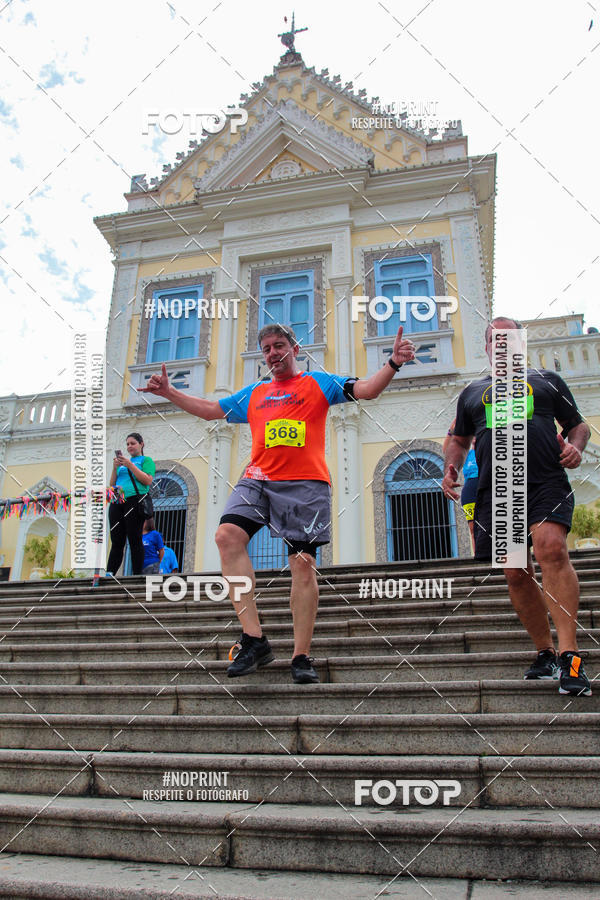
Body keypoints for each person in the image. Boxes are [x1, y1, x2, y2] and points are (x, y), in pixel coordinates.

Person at [142, 322, 415, 683]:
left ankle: (301, 655)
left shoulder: (319, 383)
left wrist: (392, 364)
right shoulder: (255, 394)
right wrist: (170, 393)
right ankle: (254, 639)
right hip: (258, 479)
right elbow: (210, 410)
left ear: (294, 349)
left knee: (302, 564)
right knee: (226, 536)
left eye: (279, 345)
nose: (273, 352)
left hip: (305, 484)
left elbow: (365, 390)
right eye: (267, 348)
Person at [442, 316, 592, 696]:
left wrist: (576, 446)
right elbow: (458, 440)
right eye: (496, 340)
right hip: (499, 490)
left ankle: (571, 656)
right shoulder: (473, 392)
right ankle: (545, 653)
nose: (504, 345)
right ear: (489, 348)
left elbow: (578, 425)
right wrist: (451, 467)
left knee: (551, 548)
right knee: (515, 572)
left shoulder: (547, 382)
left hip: (545, 480)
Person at [107, 433, 155, 576]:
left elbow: (147, 480)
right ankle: (110, 572)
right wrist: (115, 468)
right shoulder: (122, 465)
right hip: (118, 501)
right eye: (127, 444)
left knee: (134, 538)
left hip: (135, 500)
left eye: (133, 443)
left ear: (141, 444)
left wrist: (130, 465)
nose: (129, 446)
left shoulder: (146, 460)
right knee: (116, 539)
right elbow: (112, 485)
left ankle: (136, 573)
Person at [443, 420, 478, 553]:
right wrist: (451, 430)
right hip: (470, 490)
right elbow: (447, 450)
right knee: (474, 528)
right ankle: (479, 558)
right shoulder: (467, 453)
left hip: (489, 487)